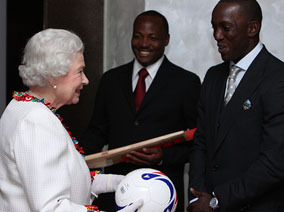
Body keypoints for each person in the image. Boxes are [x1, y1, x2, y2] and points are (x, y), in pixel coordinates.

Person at [0, 28, 143, 212]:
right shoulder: (36, 121)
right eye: (80, 71)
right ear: (54, 76)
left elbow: (58, 178)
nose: (86, 80)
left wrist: (115, 182)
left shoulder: (22, 106)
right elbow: (51, 207)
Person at [81, 10, 201, 211]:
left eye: (153, 38)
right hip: (115, 193)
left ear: (166, 40)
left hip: (162, 194)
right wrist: (72, 155)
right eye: (138, 36)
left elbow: (199, 142)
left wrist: (164, 157)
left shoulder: (186, 83)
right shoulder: (111, 80)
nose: (144, 43)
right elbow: (97, 131)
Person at [187, 0, 284, 212]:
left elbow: (275, 162)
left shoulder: (277, 78)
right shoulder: (213, 77)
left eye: (225, 27)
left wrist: (217, 200)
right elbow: (201, 142)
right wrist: (197, 196)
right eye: (214, 27)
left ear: (252, 28)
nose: (217, 35)